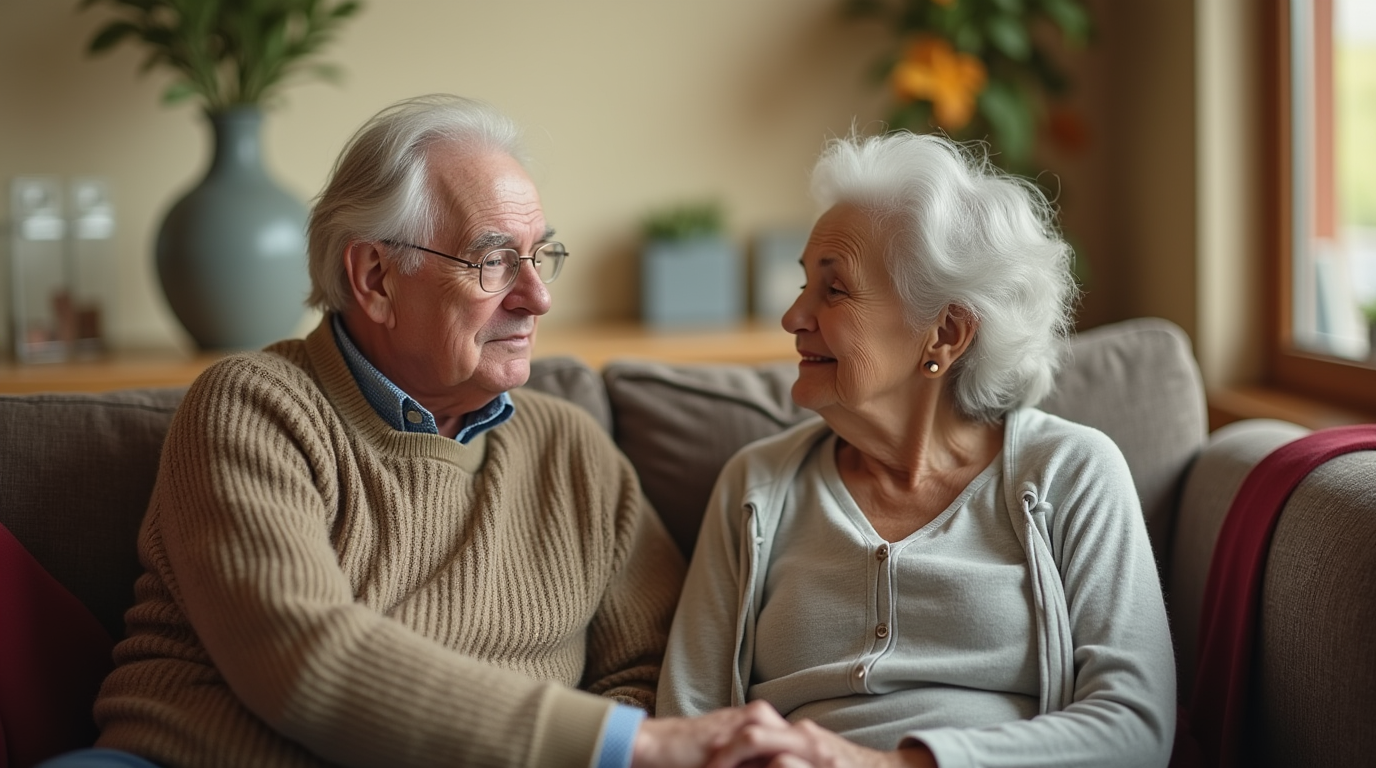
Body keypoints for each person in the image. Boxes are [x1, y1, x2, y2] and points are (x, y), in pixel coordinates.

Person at [70, 94, 773, 768]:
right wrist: (629, 750)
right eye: (494, 261)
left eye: (542, 255)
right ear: (376, 277)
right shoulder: (254, 409)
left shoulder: (573, 450)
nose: (538, 297)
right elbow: (304, 658)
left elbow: (650, 675)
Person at [657, 132, 1177, 768]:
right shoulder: (757, 486)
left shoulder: (1071, 472)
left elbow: (1135, 727)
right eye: (802, 286)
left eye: (835, 290)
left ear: (946, 333)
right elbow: (685, 720)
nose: (794, 316)